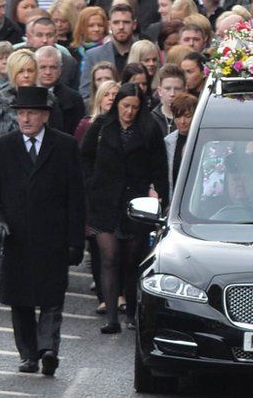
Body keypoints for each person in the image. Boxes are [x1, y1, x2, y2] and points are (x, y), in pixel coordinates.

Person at [0, 86, 86, 375]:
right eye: (21, 113)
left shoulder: (64, 146)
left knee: (52, 298)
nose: (25, 119)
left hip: (53, 238)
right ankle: (29, 354)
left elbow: (77, 197)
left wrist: (76, 240)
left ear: (44, 116)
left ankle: (48, 349)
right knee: (21, 300)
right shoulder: (3, 147)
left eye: (31, 113)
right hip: (16, 239)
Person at [81, 83, 168, 333]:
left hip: (135, 204)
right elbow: (84, 157)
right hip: (105, 202)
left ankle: (131, 312)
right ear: (117, 104)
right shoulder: (101, 126)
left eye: (134, 107)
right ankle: (111, 317)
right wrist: (92, 185)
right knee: (109, 258)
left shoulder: (149, 129)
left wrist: (159, 194)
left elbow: (159, 167)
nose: (129, 112)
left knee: (132, 260)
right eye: (125, 106)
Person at [165, 92, 198, 192]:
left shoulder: (205, 140)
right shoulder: (168, 142)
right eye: (178, 117)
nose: (182, 121)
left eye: (187, 116)